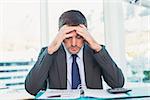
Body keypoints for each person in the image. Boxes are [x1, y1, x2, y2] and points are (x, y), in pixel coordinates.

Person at [25, 10, 124, 96]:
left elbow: (118, 84)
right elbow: (32, 89)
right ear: (60, 35)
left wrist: (97, 48)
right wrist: (50, 51)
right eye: (68, 38)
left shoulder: (96, 52)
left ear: (85, 34)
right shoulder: (49, 53)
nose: (73, 44)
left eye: (79, 37)